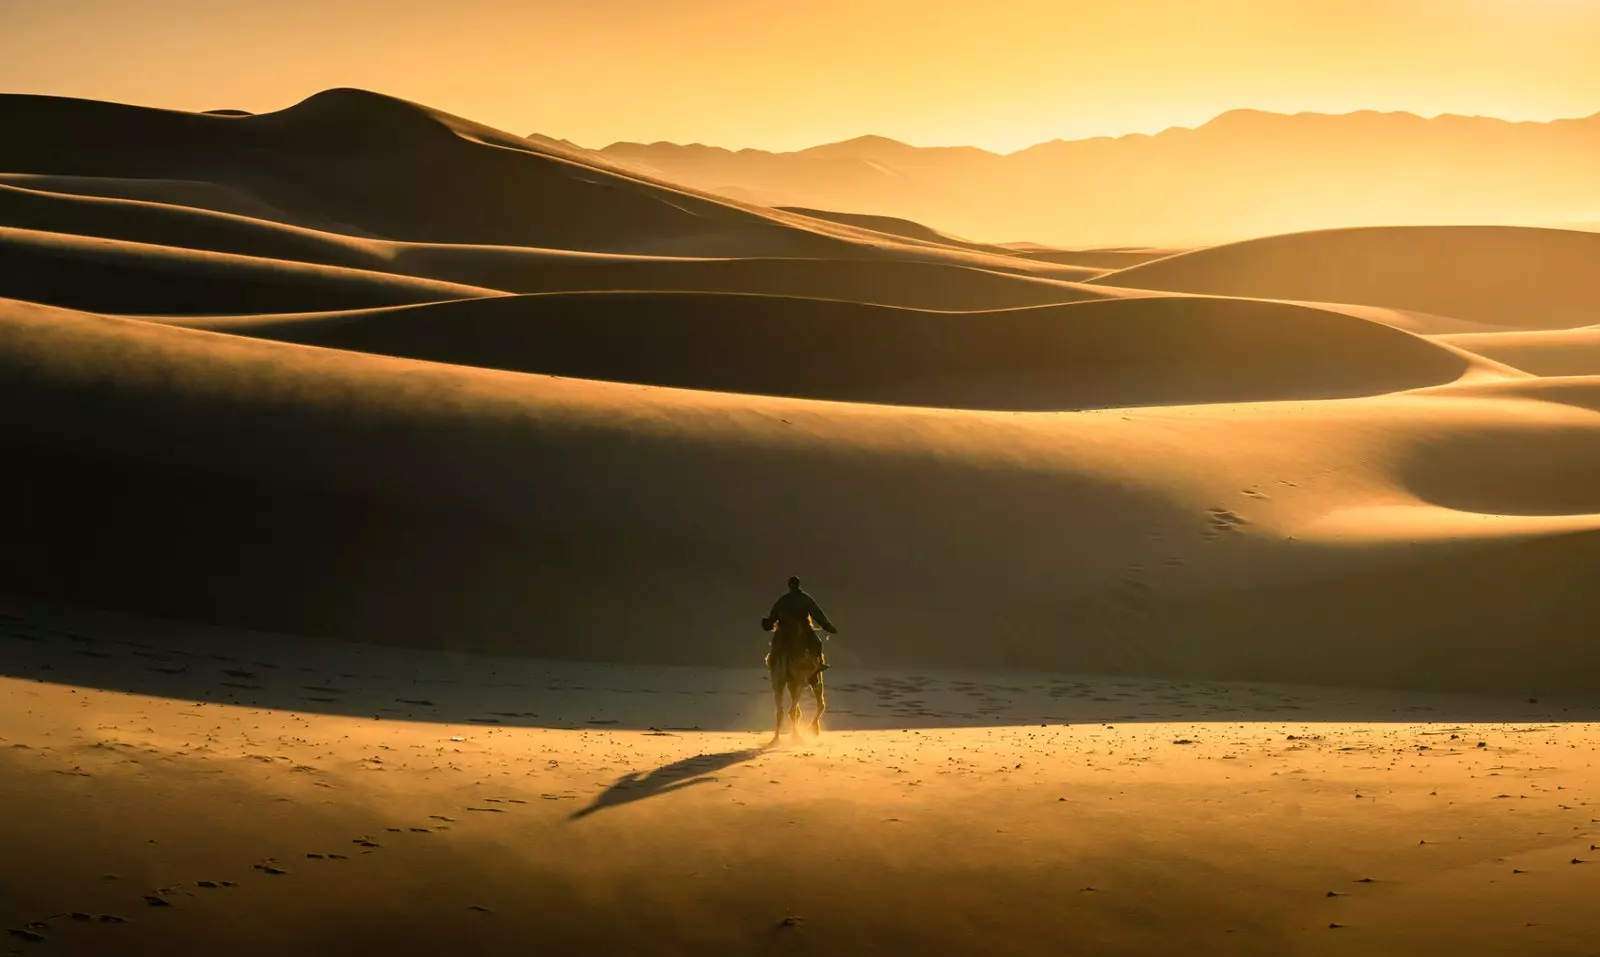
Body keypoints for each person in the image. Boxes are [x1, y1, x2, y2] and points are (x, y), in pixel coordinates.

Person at [761, 576, 837, 671]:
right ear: (798, 585)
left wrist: (768, 623)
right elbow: (817, 614)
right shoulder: (805, 598)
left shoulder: (783, 600)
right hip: (802, 629)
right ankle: (818, 664)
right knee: (817, 644)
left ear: (789, 585)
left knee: (776, 647)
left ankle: (773, 665)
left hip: (785, 630)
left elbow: (773, 615)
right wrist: (828, 627)